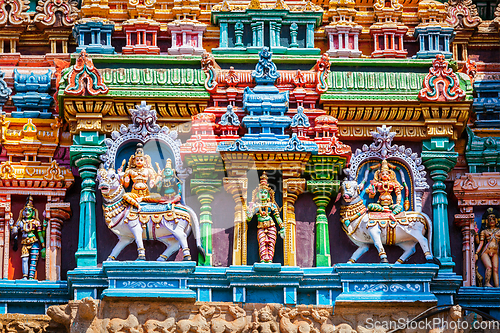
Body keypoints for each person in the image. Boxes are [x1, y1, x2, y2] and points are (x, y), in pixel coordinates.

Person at [246, 172, 284, 263]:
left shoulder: (272, 205)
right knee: (262, 243)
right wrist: (249, 214)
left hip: (271, 226)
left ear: (268, 195)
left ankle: (269, 260)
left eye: (265, 192)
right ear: (257, 195)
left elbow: (277, 217)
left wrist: (282, 228)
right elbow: (249, 219)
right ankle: (263, 260)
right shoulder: (255, 206)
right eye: (261, 192)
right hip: (261, 227)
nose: (263, 194)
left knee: (271, 243)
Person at [10, 195, 46, 279]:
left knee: (33, 261)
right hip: (24, 242)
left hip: (34, 242)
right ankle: (25, 276)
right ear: (22, 212)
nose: (27, 212)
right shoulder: (20, 222)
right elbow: (14, 233)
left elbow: (41, 235)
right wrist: (12, 227)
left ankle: (31, 277)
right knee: (24, 259)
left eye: (29, 210)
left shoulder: (36, 222)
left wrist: (43, 246)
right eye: (25, 210)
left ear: (33, 212)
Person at [120, 143, 161, 211]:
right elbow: (126, 186)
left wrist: (157, 177)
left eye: (141, 160)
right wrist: (123, 178)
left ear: (145, 161)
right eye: (137, 160)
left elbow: (153, 186)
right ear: (134, 161)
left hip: (146, 194)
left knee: (158, 197)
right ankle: (138, 205)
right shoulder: (130, 171)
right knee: (125, 196)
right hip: (134, 194)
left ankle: (142, 199)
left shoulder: (148, 170)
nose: (139, 161)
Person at [475, 208, 500, 287]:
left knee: (495, 269)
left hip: (495, 252)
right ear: (486, 221)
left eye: (493, 219)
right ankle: (487, 283)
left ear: (496, 220)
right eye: (489, 219)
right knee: (489, 267)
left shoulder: (499, 231)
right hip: (485, 251)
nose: (491, 221)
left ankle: (497, 286)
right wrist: (476, 253)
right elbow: (480, 243)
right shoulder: (484, 232)